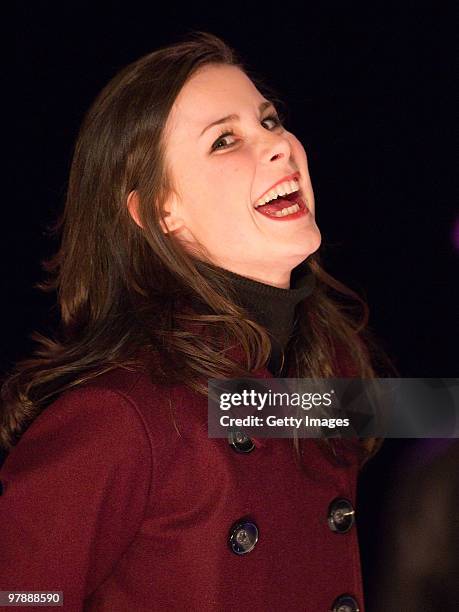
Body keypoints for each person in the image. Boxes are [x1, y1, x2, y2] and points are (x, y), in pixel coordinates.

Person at [0, 32, 389, 611]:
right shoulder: (117, 414)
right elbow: (22, 596)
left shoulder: (304, 378)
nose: (279, 146)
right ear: (159, 211)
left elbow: (428, 411)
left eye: (271, 121)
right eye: (226, 140)